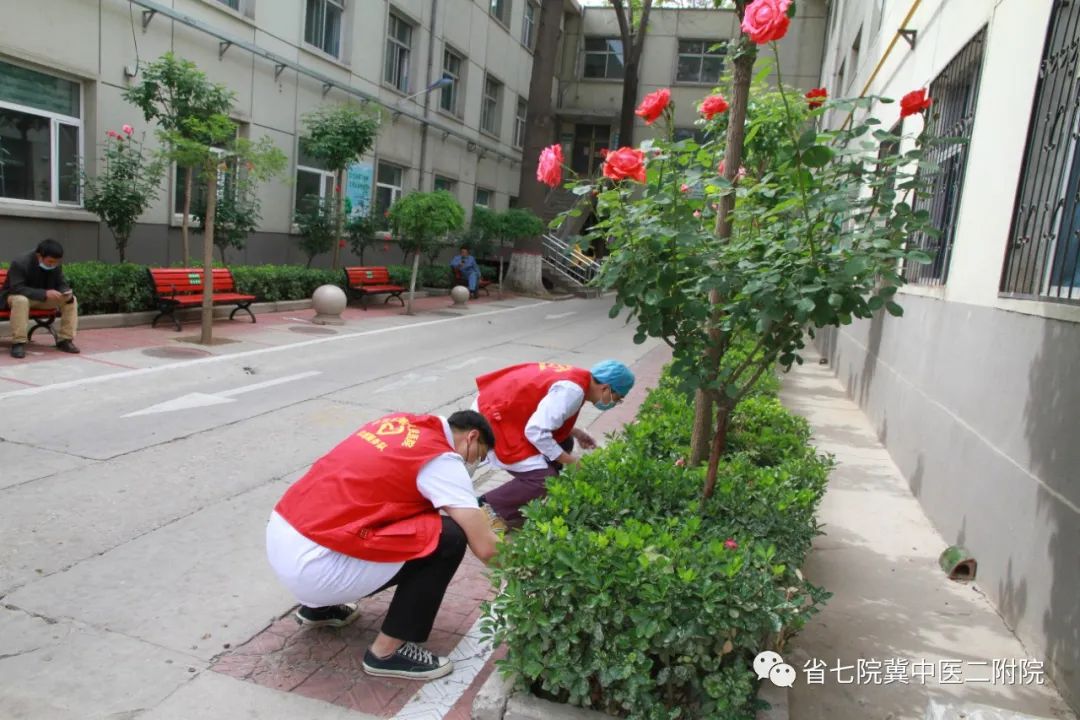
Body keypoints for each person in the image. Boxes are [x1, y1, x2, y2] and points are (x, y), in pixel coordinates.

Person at [266, 410, 499, 681]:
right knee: (449, 538)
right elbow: (486, 548)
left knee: (405, 512)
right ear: (472, 437)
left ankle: (319, 608)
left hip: (284, 536)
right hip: (315, 567)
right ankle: (388, 652)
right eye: (478, 456)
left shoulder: (401, 424)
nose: (473, 464)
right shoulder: (441, 459)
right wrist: (527, 577)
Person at [474, 360, 635, 528]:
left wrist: (575, 432)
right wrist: (571, 461)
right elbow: (536, 431)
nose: (615, 403)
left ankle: (525, 497)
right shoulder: (573, 391)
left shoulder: (580, 379)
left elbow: (544, 412)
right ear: (606, 388)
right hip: (494, 419)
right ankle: (487, 506)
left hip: (503, 409)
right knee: (545, 479)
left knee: (564, 442)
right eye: (618, 398)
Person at [1, 239, 80, 358]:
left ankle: (65, 340)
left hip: (41, 298)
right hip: (15, 297)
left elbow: (61, 283)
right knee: (21, 300)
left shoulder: (55, 264)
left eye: (56, 262)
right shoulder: (20, 262)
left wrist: (65, 291)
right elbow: (17, 288)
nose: (53, 265)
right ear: (39, 256)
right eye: (50, 262)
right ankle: (18, 342)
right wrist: (44, 293)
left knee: (71, 299)